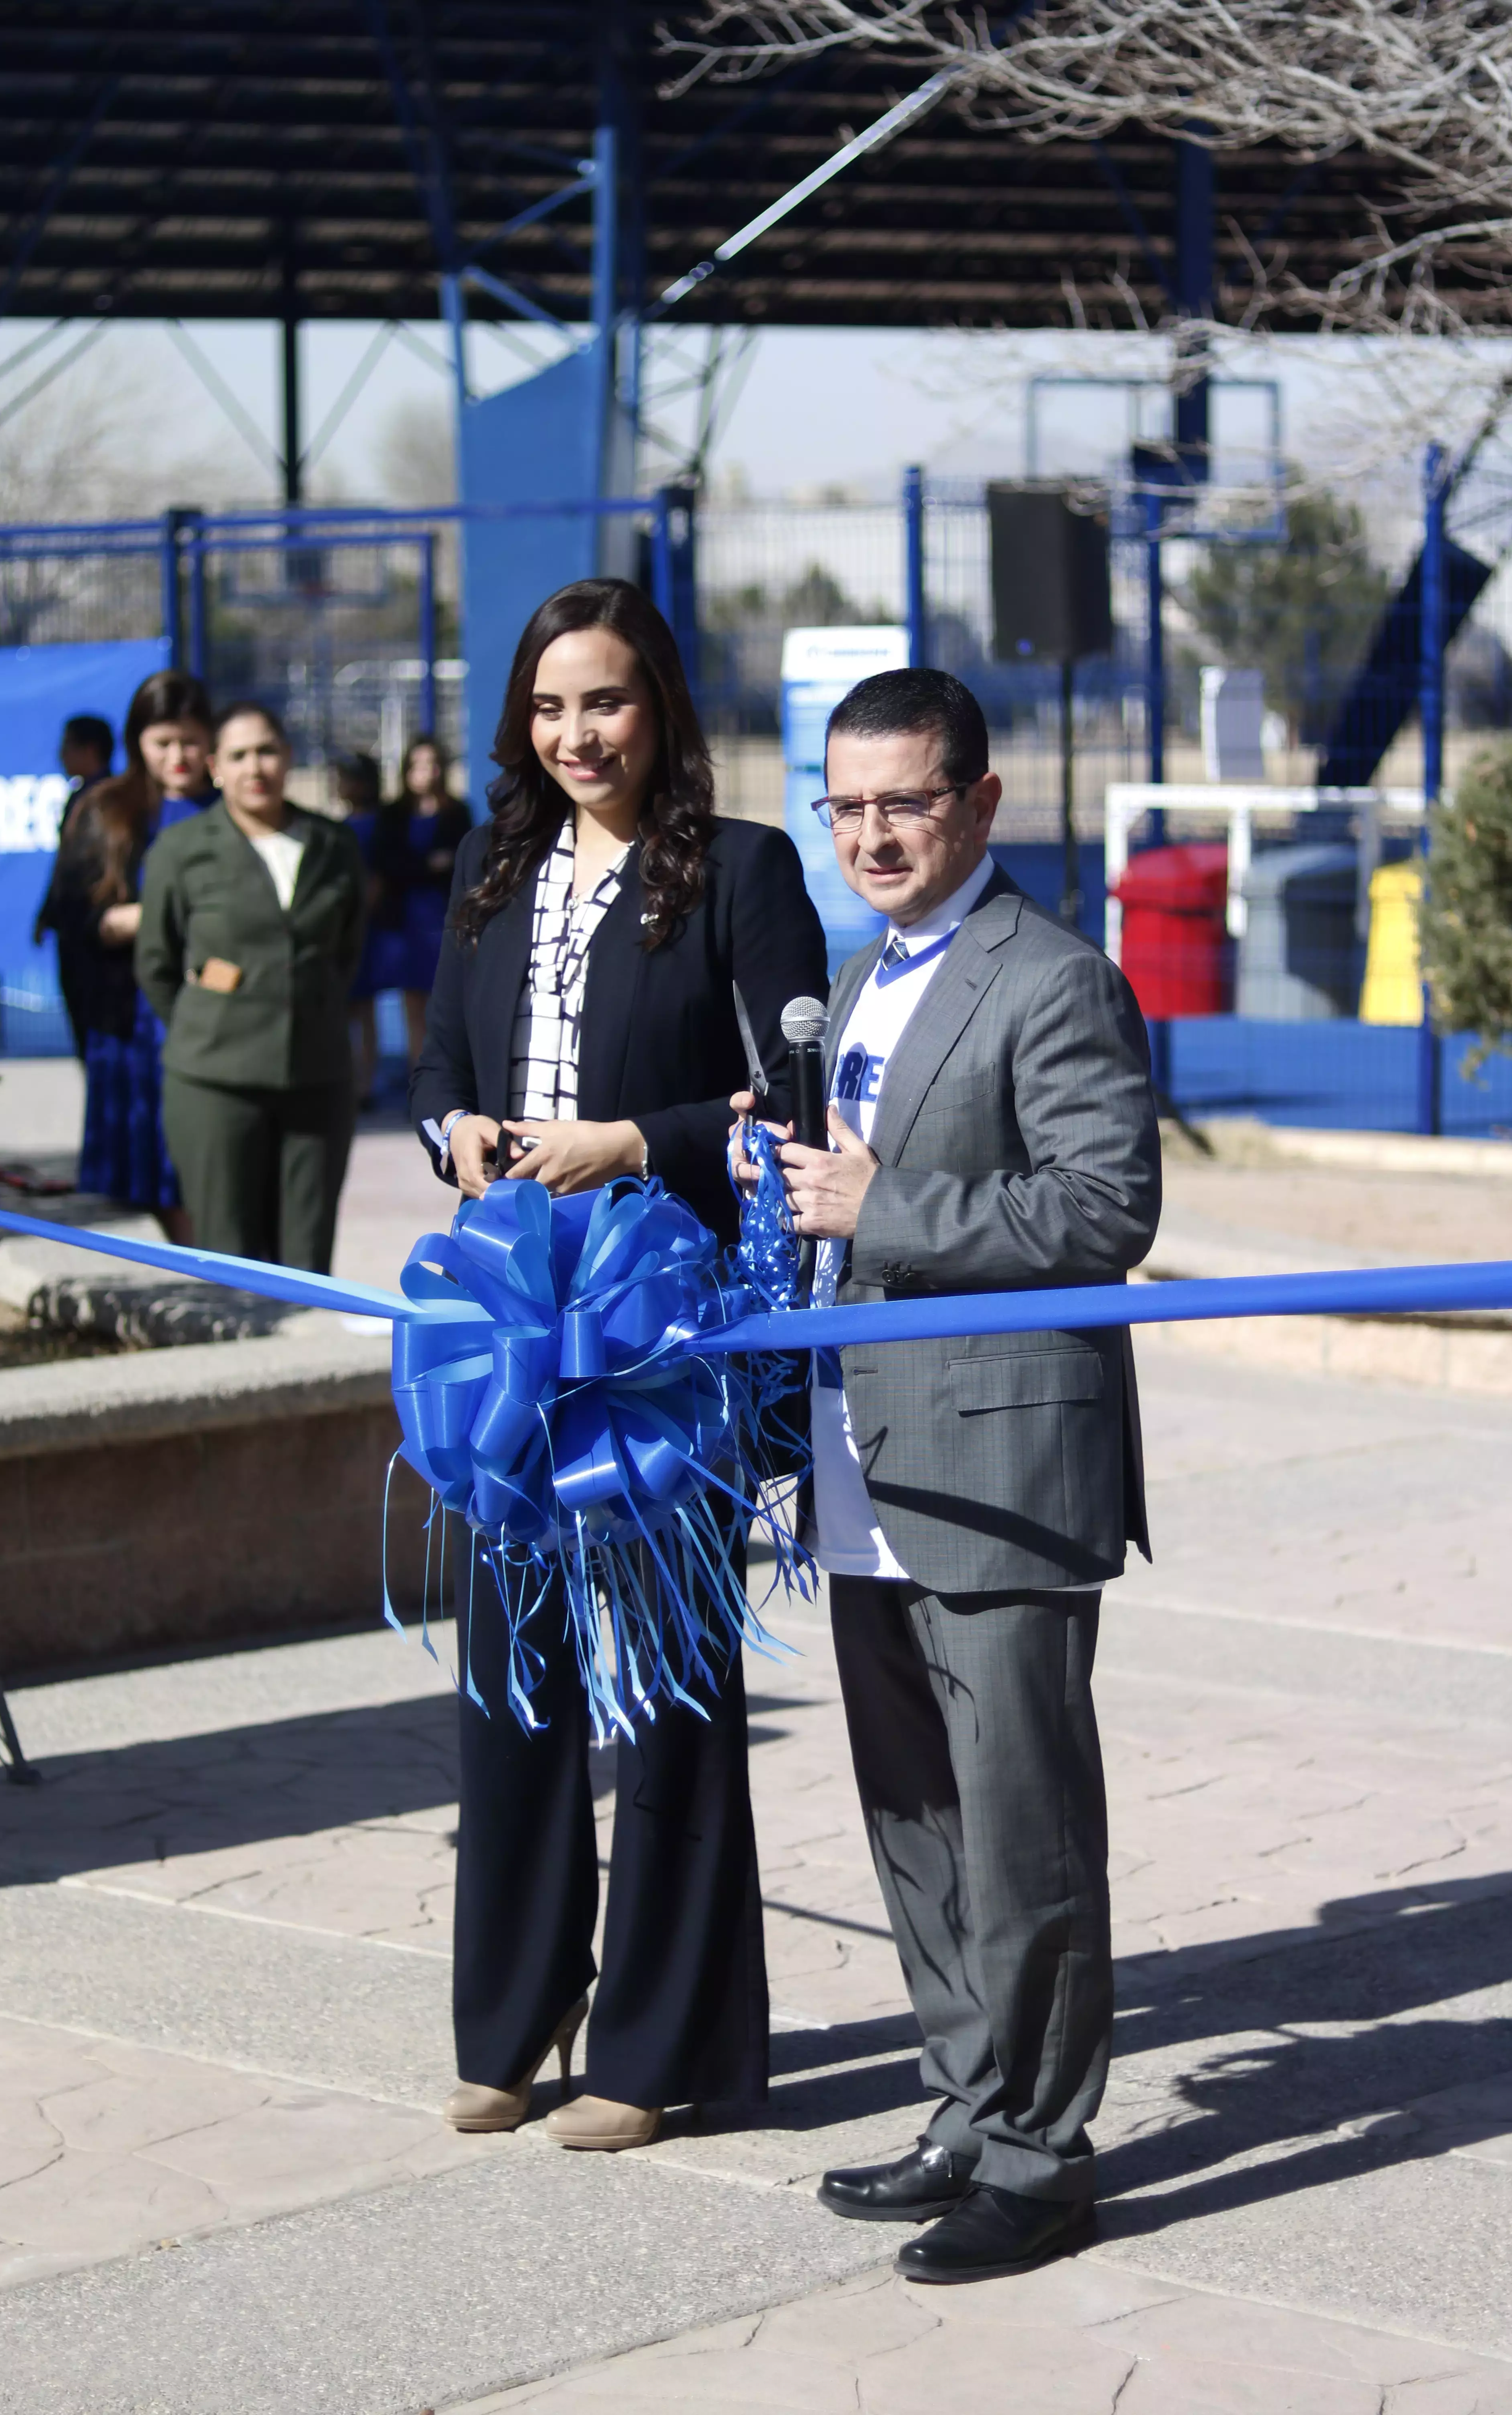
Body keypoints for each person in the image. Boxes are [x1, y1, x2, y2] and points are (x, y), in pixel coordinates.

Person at [732, 667, 1161, 2284]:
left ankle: (1042, 2158)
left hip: (1001, 1476)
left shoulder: (1052, 979)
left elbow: (1103, 1213)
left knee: (1021, 1825)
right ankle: (964, 2106)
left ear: (979, 801)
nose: (871, 835)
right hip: (862, 1459)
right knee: (913, 1812)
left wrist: (876, 1207)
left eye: (905, 801)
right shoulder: (852, 984)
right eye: (842, 806)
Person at [408, 576, 828, 2153]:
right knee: (510, 1674)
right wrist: (456, 1130)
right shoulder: (485, 868)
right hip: (507, 1323)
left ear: (659, 707)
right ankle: (509, 2023)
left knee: (659, 1682)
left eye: (606, 701)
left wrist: (628, 1141)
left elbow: (786, 1090)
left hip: (658, 1329)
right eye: (549, 706)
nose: (578, 733)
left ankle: (659, 2049)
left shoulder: (741, 869)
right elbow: (440, 1063)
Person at [137, 702, 366, 1272]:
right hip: (215, 1081)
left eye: (267, 751)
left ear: (288, 757)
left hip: (318, 1076)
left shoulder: (334, 845)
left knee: (308, 1262)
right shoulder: (181, 848)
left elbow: (347, 952)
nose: (255, 767)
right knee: (228, 1257)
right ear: (215, 767)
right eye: (238, 756)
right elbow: (156, 962)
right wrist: (211, 1023)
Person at [41, 674, 217, 1234]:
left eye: (190, 741)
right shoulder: (106, 809)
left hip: (224, 1012)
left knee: (219, 1164)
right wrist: (143, 921)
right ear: (138, 740)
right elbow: (72, 914)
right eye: (162, 742)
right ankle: (204, 1270)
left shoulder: (235, 804)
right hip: (135, 1017)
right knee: (161, 1173)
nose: (178, 757)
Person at [379, 732, 473, 1065]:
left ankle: (448, 1076)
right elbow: (390, 864)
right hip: (406, 920)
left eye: (433, 765)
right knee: (413, 1004)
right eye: (418, 765)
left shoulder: (457, 812)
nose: (426, 772)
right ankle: (416, 1075)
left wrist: (432, 866)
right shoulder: (393, 815)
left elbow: (462, 863)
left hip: (443, 917)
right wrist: (428, 864)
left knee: (445, 1004)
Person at [33, 713, 117, 1060]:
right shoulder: (79, 797)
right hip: (73, 934)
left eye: (67, 746)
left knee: (100, 1034)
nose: (60, 756)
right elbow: (65, 867)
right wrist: (48, 914)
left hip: (98, 938)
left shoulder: (113, 800)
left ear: (91, 750)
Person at [334, 751, 390, 1107]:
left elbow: (376, 881)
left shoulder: (375, 826)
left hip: (363, 930)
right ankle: (353, 1080)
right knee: (349, 1009)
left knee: (364, 1009)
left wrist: (356, 917)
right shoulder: (342, 825)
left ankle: (365, 1084)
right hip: (346, 927)